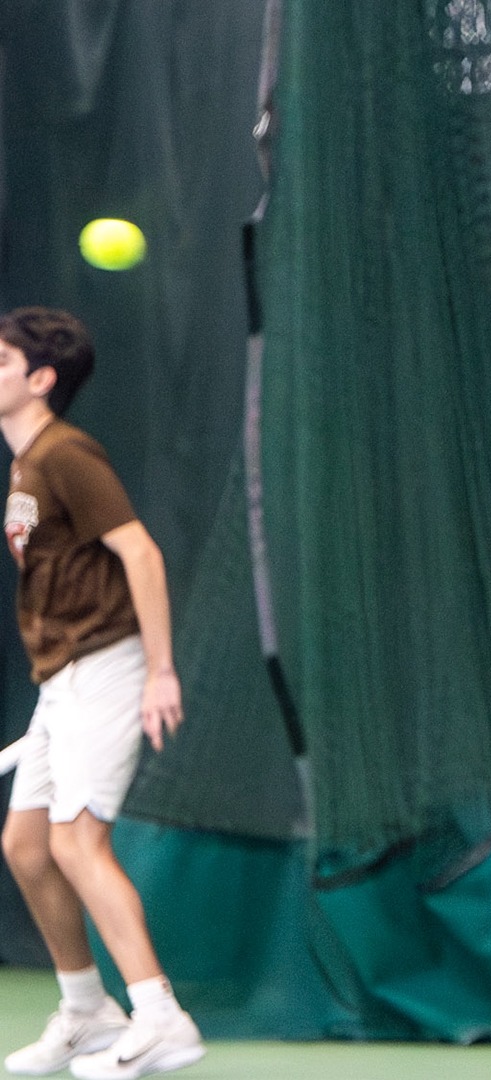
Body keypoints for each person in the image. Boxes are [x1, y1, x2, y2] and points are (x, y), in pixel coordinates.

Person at [0, 307, 205, 1079]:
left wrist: (158, 671)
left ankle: (162, 1018)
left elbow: (140, 553)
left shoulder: (66, 454)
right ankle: (87, 1010)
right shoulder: (26, 464)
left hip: (109, 666)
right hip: (62, 677)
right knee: (25, 845)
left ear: (40, 379)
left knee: (77, 843)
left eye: (0, 362)